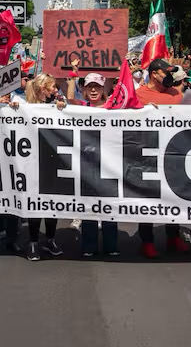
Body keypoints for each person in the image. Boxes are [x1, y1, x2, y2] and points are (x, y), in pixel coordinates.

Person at [135, 59, 190, 258]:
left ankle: (173, 236)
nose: (169, 77)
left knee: (173, 196)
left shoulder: (177, 94)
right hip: (147, 155)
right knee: (147, 199)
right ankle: (147, 241)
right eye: (166, 73)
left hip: (174, 153)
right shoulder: (138, 95)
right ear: (154, 74)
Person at [23, 73, 66, 261]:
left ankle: (50, 239)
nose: (56, 90)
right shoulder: (25, 107)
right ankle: (33, 242)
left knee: (51, 204)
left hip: (52, 161)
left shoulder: (56, 106)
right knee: (35, 205)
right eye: (53, 87)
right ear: (43, 89)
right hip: (32, 162)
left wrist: (63, 109)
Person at [77, 73, 119, 258]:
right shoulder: (79, 108)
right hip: (87, 164)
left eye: (97, 86)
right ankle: (89, 245)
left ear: (104, 89)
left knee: (109, 206)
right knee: (88, 206)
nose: (93, 90)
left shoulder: (115, 108)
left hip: (109, 164)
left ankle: (111, 245)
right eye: (89, 87)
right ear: (84, 90)